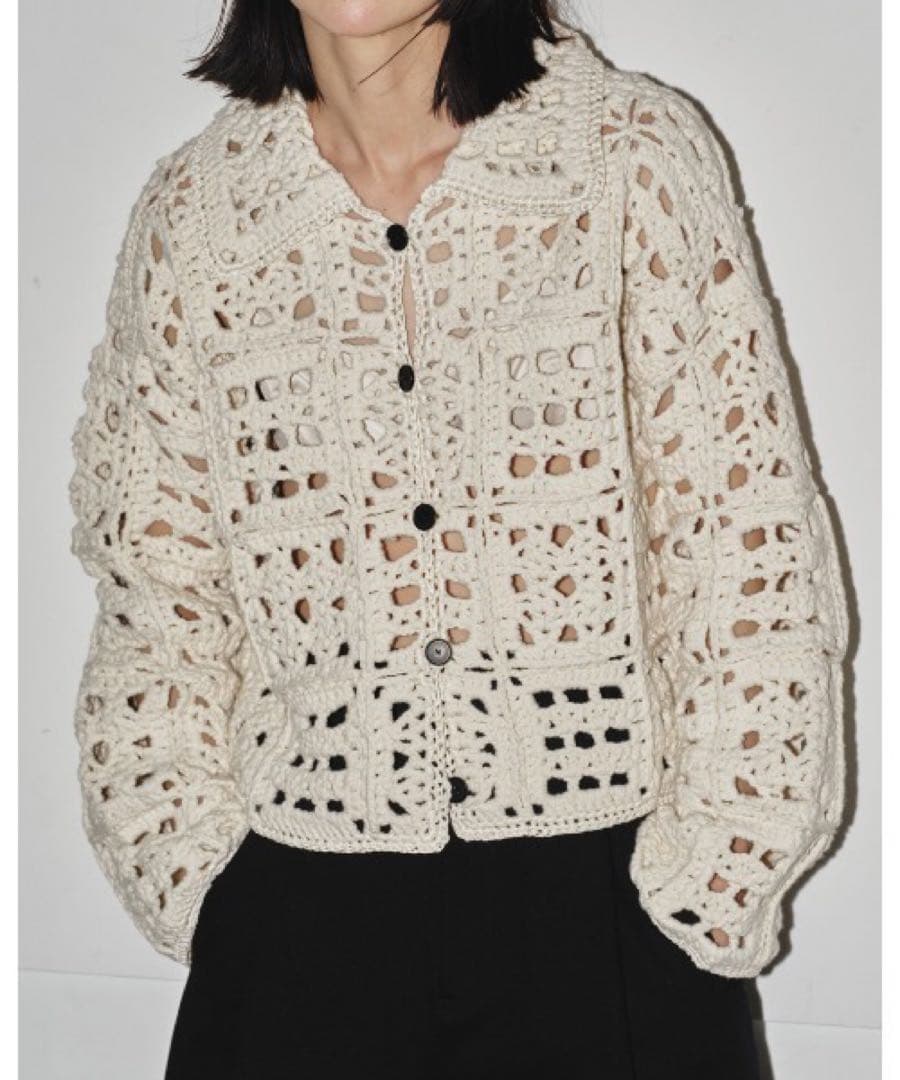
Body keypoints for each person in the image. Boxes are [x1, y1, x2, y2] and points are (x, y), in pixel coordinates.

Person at [66, 2, 849, 1077]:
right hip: (296, 921)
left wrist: (705, 890)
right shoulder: (197, 217)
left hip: (611, 921)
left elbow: (745, 554)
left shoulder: (625, 160)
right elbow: (155, 595)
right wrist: (210, 886)